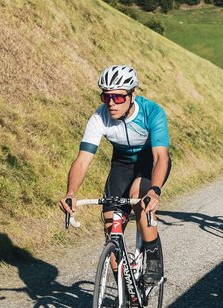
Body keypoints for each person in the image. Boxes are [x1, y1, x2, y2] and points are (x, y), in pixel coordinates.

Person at [58, 65, 171, 284]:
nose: (111, 103)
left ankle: (153, 256)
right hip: (122, 165)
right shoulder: (99, 117)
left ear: (132, 96)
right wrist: (71, 192)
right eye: (106, 96)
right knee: (111, 225)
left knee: (140, 195)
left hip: (150, 163)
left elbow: (161, 158)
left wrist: (155, 192)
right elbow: (83, 159)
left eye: (118, 98)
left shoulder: (152, 112)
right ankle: (123, 293)